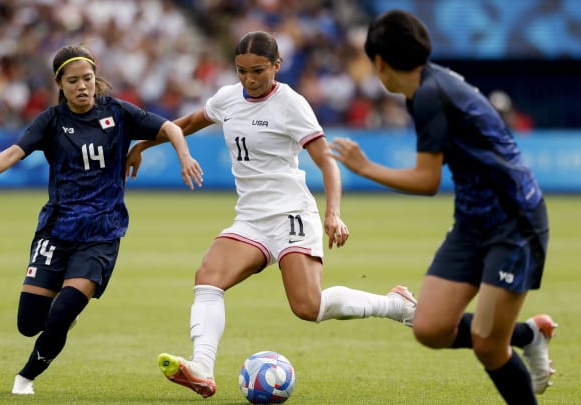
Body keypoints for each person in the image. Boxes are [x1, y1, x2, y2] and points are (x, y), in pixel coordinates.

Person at [125, 31, 417, 399]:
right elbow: (185, 123)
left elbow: (327, 162)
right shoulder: (228, 99)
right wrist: (143, 145)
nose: (249, 79)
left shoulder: (291, 104)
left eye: (258, 71)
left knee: (308, 307)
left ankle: (395, 304)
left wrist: (334, 214)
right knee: (208, 278)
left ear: (276, 66)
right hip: (251, 218)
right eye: (242, 71)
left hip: (291, 214)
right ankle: (202, 365)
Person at [330, 10, 556, 405]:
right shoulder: (432, 85)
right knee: (430, 327)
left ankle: (518, 342)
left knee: (488, 346)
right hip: (473, 222)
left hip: (514, 224)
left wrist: (365, 168)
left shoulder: (431, 96)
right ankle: (529, 335)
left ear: (380, 62)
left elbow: (427, 181)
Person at [0, 44, 204, 395]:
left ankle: (24, 378)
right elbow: (15, 151)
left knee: (62, 311)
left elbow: (172, 128)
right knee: (29, 323)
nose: (82, 86)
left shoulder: (118, 112)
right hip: (56, 230)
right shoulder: (51, 121)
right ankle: (62, 318)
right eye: (73, 81)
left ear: (95, 77)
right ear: (60, 83)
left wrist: (183, 156)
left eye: (87, 78)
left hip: (101, 232)